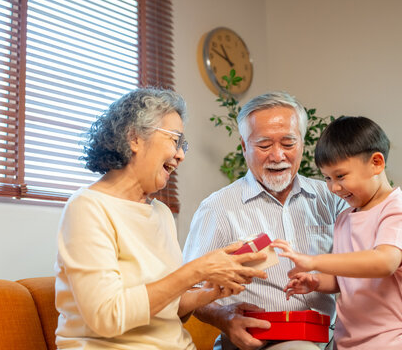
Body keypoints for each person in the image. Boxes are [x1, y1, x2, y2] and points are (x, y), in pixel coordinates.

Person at [182, 92, 402, 350]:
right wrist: (224, 317)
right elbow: (189, 289)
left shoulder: (335, 198)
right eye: (264, 145)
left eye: (288, 143)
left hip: (331, 338)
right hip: (261, 342)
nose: (278, 156)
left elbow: (382, 259)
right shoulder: (218, 208)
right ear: (243, 146)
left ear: (302, 141)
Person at [54, 88, 268, 350]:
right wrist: (196, 270)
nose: (181, 154)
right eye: (174, 140)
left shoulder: (161, 213)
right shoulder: (88, 207)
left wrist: (211, 290)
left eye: (182, 145)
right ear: (134, 138)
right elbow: (106, 317)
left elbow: (170, 309)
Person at [272, 115, 402, 349]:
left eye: (341, 176)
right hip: (349, 339)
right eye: (327, 178)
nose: (334, 187)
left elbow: (384, 262)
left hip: (394, 337)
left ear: (376, 163)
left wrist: (314, 261)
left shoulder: (398, 211)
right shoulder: (346, 217)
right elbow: (344, 278)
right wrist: (316, 282)